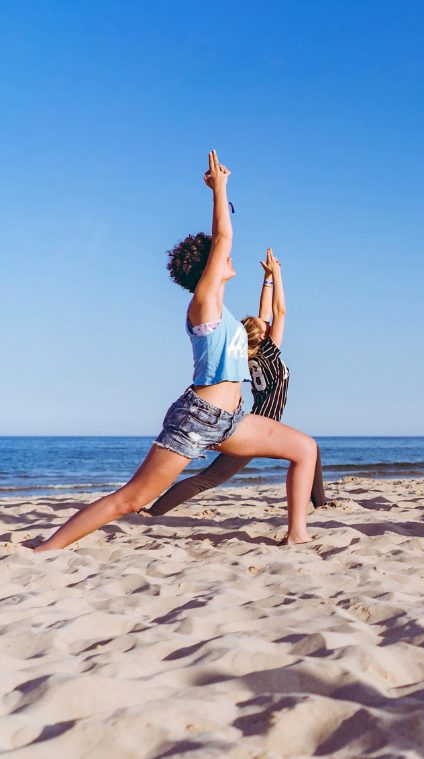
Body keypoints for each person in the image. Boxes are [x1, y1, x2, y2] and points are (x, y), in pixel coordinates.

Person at [33, 151, 317, 551]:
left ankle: (298, 535)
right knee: (132, 499)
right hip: (198, 418)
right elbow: (223, 239)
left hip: (232, 420)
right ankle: (45, 549)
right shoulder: (204, 305)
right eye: (219, 260)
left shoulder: (225, 311)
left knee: (305, 448)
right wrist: (220, 190)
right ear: (207, 270)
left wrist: (271, 281)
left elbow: (255, 295)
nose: (228, 258)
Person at [145, 247, 326, 517]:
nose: (267, 323)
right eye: (264, 326)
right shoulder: (269, 352)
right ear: (263, 338)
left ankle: (321, 503)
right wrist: (278, 274)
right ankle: (150, 513)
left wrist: (266, 280)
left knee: (309, 449)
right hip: (255, 427)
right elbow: (280, 310)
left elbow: (265, 312)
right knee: (208, 479)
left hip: (256, 422)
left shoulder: (251, 351)